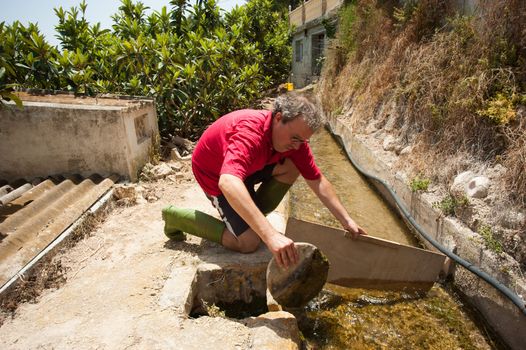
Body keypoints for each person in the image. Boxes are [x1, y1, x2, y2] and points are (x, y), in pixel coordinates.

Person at [162, 94, 366, 269]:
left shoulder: (295, 141)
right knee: (248, 242)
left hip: (249, 168)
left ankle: (247, 216)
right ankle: (175, 217)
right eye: (294, 138)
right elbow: (228, 181)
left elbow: (317, 179)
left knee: (293, 166)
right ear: (278, 118)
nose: (296, 147)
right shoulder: (250, 133)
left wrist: (346, 220)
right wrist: (270, 235)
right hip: (214, 173)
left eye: (302, 141)